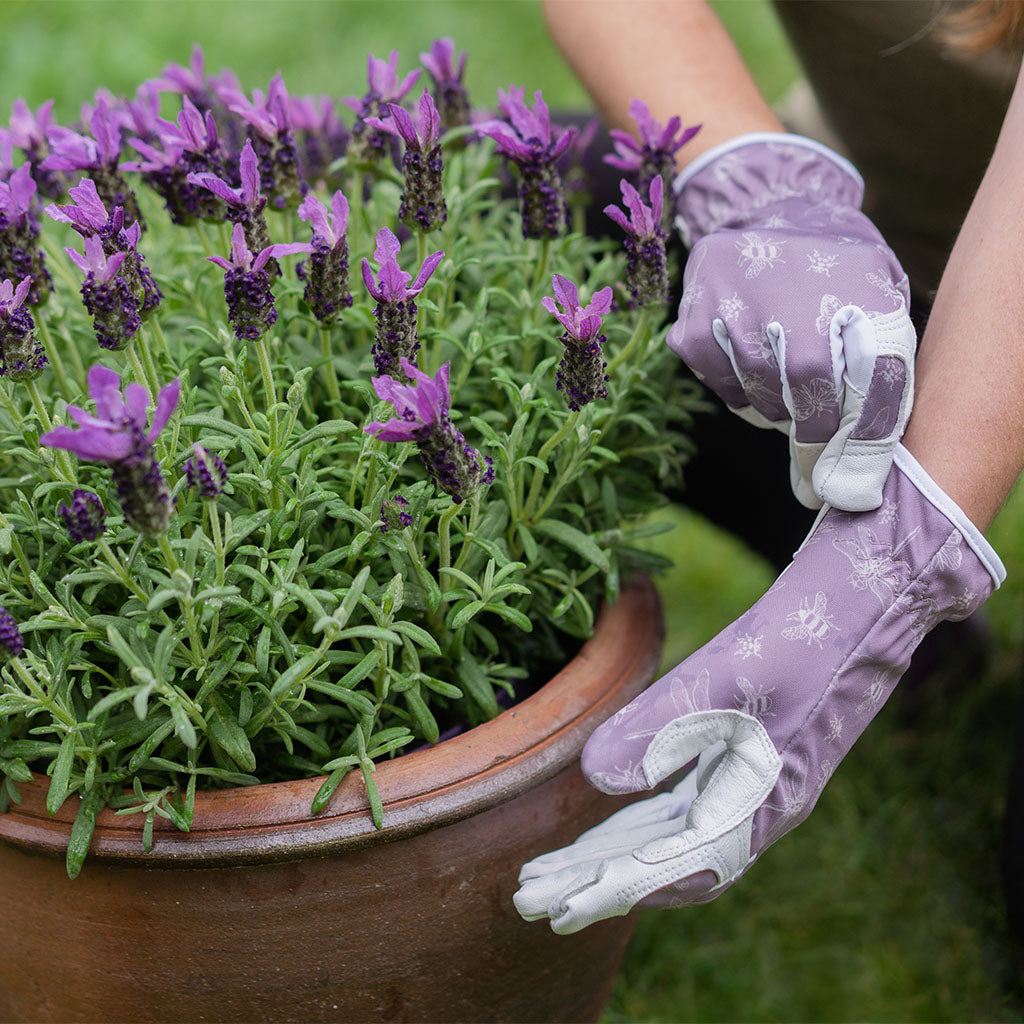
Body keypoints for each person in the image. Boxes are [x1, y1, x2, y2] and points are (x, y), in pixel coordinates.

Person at [513, 0, 1024, 934]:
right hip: (876, 255)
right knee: (526, 223)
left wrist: (889, 572)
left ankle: (901, 626)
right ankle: (938, 659)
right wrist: (758, 189)